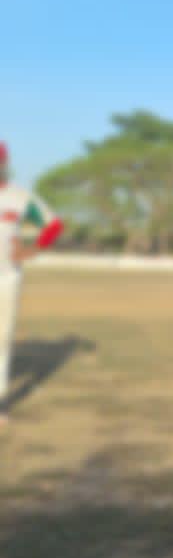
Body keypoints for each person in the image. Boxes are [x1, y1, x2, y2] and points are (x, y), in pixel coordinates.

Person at [0, 143, 64, 430]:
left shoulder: (20, 198)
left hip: (6, 278)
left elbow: (53, 226)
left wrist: (30, 250)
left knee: (1, 341)